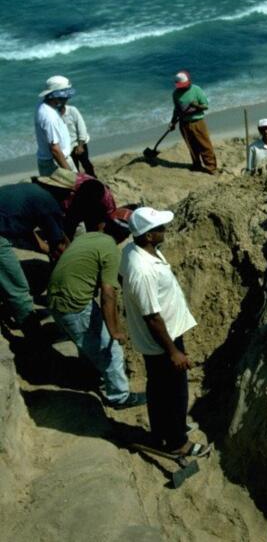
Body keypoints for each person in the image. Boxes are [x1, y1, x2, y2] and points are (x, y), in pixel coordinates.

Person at [120, 207, 207, 456]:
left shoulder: (135, 250)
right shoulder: (143, 270)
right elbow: (152, 317)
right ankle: (179, 443)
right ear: (148, 236)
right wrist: (173, 352)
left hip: (164, 336)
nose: (164, 230)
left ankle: (165, 431)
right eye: (159, 228)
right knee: (174, 392)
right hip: (161, 341)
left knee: (159, 389)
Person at [47, 208, 145, 409]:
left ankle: (89, 374)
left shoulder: (89, 237)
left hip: (56, 298)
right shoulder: (110, 251)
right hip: (74, 304)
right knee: (110, 352)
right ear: (126, 235)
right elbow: (108, 294)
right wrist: (114, 330)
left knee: (85, 340)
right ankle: (120, 397)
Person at [0, 182, 68, 329]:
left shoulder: (32, 192)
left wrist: (47, 249)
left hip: (3, 225)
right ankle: (33, 331)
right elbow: (59, 244)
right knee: (18, 289)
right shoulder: (49, 204)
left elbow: (26, 231)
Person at [34, 168, 118, 239]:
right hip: (75, 199)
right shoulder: (67, 193)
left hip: (90, 203)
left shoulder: (104, 199)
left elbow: (109, 218)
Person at [170, 70, 217, 175]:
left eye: (186, 84)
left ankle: (211, 167)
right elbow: (176, 109)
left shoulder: (196, 90)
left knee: (205, 145)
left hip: (197, 122)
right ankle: (196, 165)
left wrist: (196, 106)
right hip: (184, 124)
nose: (185, 87)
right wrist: (173, 122)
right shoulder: (176, 94)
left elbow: (205, 106)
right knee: (191, 146)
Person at [35, 75, 77, 176]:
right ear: (55, 96)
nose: (67, 98)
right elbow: (55, 149)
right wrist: (69, 173)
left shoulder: (43, 104)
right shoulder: (49, 118)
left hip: (49, 160)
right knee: (75, 187)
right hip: (56, 162)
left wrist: (60, 105)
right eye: (65, 96)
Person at [60, 99, 95, 176]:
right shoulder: (55, 115)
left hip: (78, 142)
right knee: (74, 169)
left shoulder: (72, 110)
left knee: (86, 164)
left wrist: (80, 145)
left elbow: (81, 127)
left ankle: (94, 179)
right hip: (68, 148)